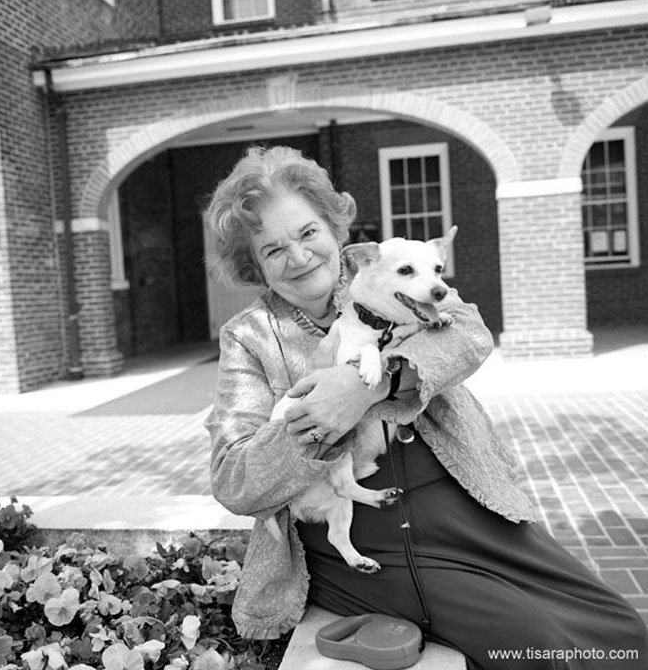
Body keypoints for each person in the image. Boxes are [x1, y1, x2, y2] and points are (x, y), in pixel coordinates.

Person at [204, 145, 647, 669]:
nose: (298, 257)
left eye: (307, 233)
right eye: (273, 250)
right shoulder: (249, 337)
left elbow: (467, 333)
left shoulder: (396, 271)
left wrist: (370, 385)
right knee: (539, 643)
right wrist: (322, 419)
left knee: (620, 631)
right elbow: (235, 478)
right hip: (365, 533)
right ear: (253, 265)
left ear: (336, 229)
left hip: (462, 505)